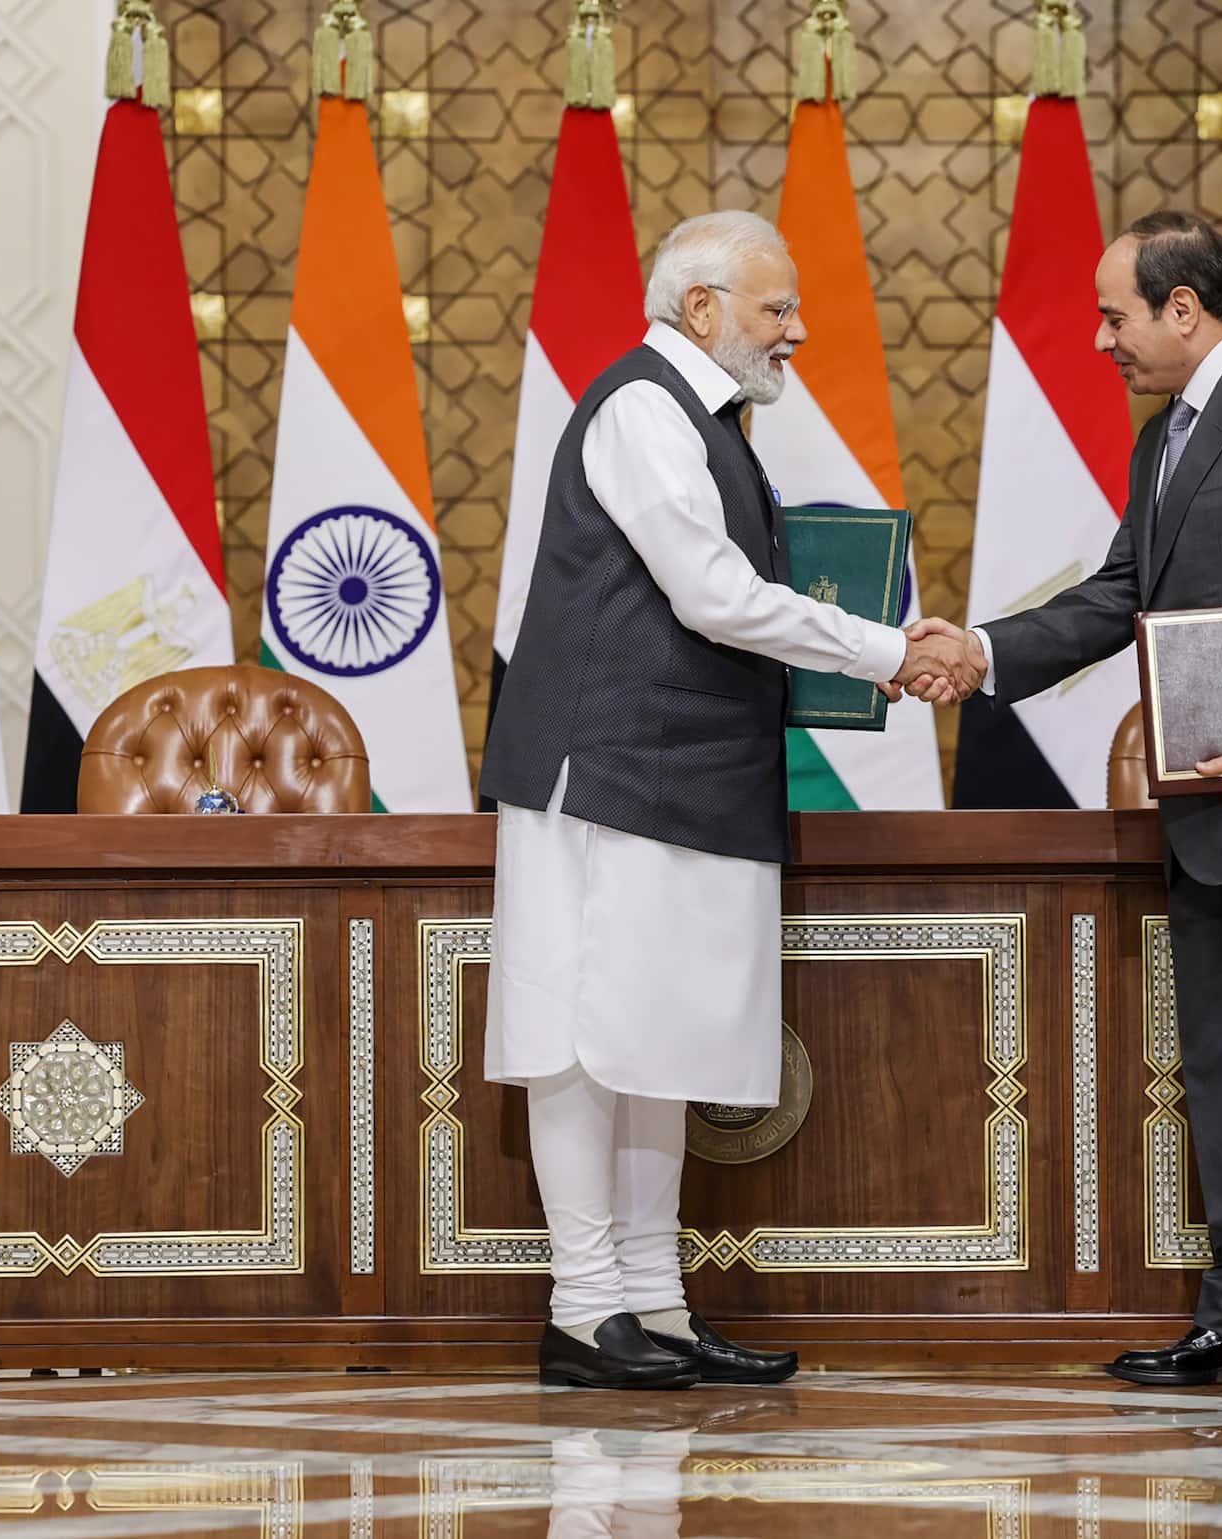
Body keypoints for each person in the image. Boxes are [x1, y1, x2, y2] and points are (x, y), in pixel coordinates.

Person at [904, 210, 1222, 1394]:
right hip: (1206, 813)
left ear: (1182, 308)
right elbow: (1120, 594)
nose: (1100, 340)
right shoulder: (1165, 441)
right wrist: (983, 651)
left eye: (1114, 316)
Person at [479, 210, 983, 1391]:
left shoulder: (705, 419)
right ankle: (581, 1308)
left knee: (661, 1042)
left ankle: (652, 1305)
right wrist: (883, 647)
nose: (796, 331)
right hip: (606, 773)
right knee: (584, 1042)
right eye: (776, 308)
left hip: (685, 773)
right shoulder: (642, 408)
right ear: (698, 307)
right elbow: (711, 593)